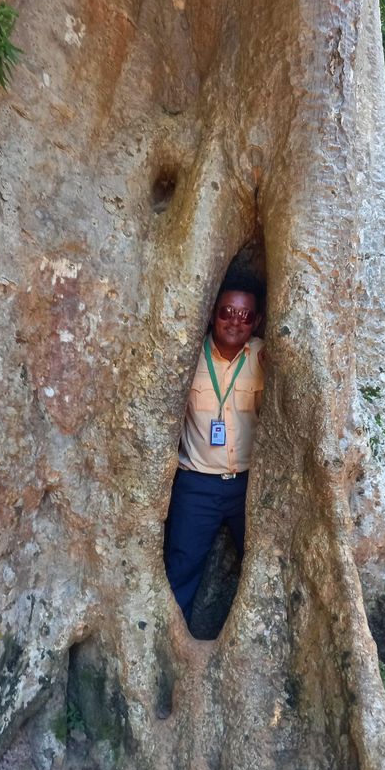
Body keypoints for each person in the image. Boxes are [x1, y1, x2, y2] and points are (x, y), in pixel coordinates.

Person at [165, 259, 265, 631]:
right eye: (227, 312)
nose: (235, 321)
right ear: (212, 314)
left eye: (244, 315)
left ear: (255, 321)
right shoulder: (189, 355)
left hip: (249, 486)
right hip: (196, 485)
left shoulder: (264, 357)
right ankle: (174, 649)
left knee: (262, 568)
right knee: (181, 569)